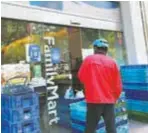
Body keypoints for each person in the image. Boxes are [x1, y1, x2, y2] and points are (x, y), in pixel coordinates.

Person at [78, 39, 122, 133]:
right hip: (109, 101)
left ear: (95, 48)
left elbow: (81, 77)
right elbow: (118, 85)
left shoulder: (88, 60)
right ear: (106, 49)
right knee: (111, 128)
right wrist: (114, 98)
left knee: (90, 128)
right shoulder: (113, 62)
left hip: (93, 100)